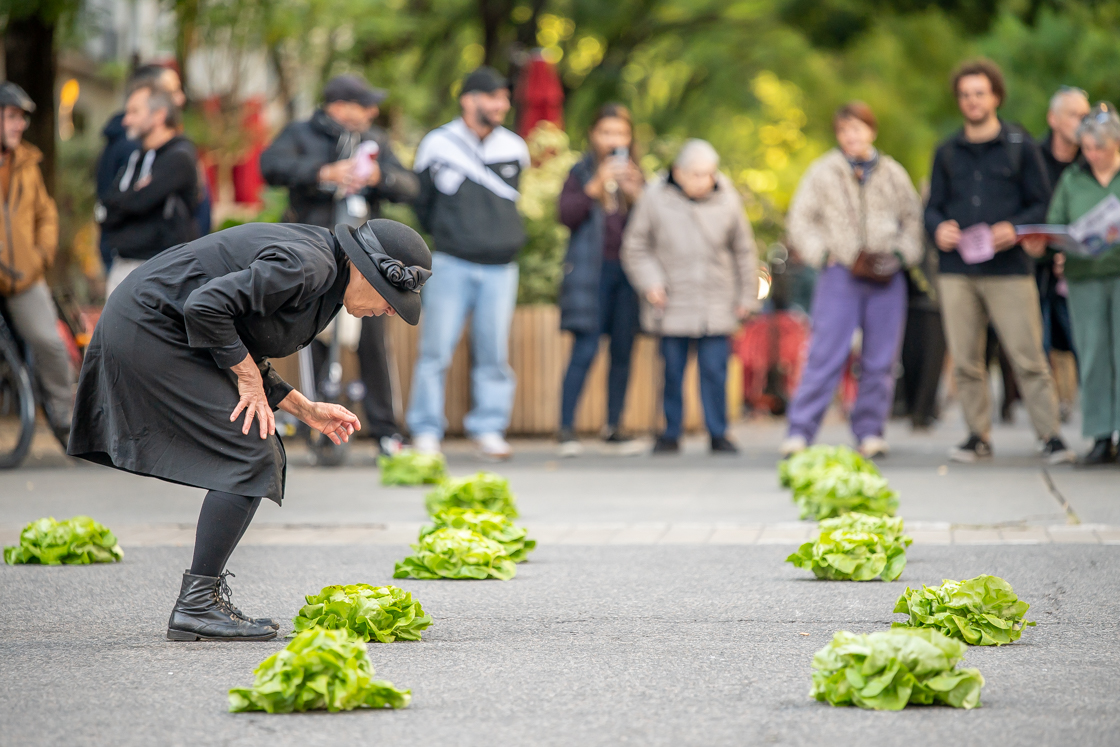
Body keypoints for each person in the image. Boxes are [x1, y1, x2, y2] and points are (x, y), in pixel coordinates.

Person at [67, 218, 432, 640]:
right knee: (251, 450)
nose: (389, 309)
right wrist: (247, 378)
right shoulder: (309, 265)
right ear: (366, 268)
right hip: (152, 325)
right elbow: (205, 308)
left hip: (169, 326)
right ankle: (197, 605)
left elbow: (236, 333)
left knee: (255, 447)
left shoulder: (328, 280)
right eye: (390, 297)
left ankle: (200, 601)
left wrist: (304, 408)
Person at [260, 74, 419, 455]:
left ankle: (386, 431)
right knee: (310, 336)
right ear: (340, 106)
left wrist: (380, 177)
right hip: (313, 254)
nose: (372, 112)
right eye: (364, 105)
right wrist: (322, 173)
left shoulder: (375, 140)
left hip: (365, 262)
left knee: (373, 343)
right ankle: (321, 433)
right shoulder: (301, 133)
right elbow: (270, 166)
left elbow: (411, 186)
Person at [924, 59, 1073, 464]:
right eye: (965, 94)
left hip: (1008, 269)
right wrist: (939, 228)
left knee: (1028, 356)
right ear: (959, 101)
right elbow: (931, 208)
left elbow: (1042, 203)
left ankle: (1051, 436)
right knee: (967, 360)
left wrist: (1016, 227)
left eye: (979, 93)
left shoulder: (1020, 145)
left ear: (995, 97)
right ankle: (977, 436)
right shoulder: (947, 151)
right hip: (958, 271)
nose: (972, 101)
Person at [781, 102, 924, 458]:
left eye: (858, 128)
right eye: (845, 130)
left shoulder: (892, 172)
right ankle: (800, 430)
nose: (852, 136)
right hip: (841, 272)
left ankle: (870, 430)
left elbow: (913, 218)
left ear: (871, 131)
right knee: (825, 352)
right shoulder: (823, 172)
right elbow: (801, 219)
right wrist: (822, 254)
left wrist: (903, 255)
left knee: (881, 358)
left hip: (886, 275)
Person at [408, 66, 529, 459]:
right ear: (469, 99)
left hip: (500, 267)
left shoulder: (514, 147)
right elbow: (421, 204)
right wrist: (450, 234)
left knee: (493, 351)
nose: (501, 105)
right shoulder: (436, 144)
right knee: (435, 350)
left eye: (504, 98)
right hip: (451, 262)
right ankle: (426, 430)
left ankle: (489, 428)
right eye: (493, 97)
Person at [621, 139, 758, 454]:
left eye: (709, 174)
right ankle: (670, 431)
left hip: (717, 300)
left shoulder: (728, 198)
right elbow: (635, 246)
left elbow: (744, 250)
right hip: (671, 300)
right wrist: (651, 283)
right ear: (678, 172)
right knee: (671, 370)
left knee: (715, 370)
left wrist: (746, 296)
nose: (704, 181)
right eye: (696, 174)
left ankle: (718, 431)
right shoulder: (654, 198)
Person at [1025, 103, 1120, 465]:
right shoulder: (1073, 179)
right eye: (1088, 148)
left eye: (1102, 148)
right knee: (1093, 355)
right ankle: (1099, 433)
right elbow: (1056, 224)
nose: (1094, 155)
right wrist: (1050, 245)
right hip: (1084, 277)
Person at [556, 103, 644, 457]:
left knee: (623, 350)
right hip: (592, 273)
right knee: (585, 349)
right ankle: (565, 428)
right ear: (594, 135)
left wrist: (635, 193)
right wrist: (594, 187)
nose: (613, 140)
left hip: (628, 274)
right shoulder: (580, 172)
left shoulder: (637, 174)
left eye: (620, 133)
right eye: (606, 132)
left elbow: (653, 223)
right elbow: (566, 215)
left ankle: (614, 425)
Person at [0, 82, 74, 445]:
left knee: (50, 342)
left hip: (23, 277)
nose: (20, 126)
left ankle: (66, 420)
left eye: (22, 119)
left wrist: (41, 255)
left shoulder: (28, 162)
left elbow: (46, 214)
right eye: (12, 117)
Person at [100, 78, 198, 295]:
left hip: (160, 272)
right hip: (122, 265)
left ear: (159, 115)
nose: (126, 120)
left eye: (134, 112)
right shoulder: (135, 157)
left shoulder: (179, 158)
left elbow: (137, 203)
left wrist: (129, 199)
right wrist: (130, 198)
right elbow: (109, 205)